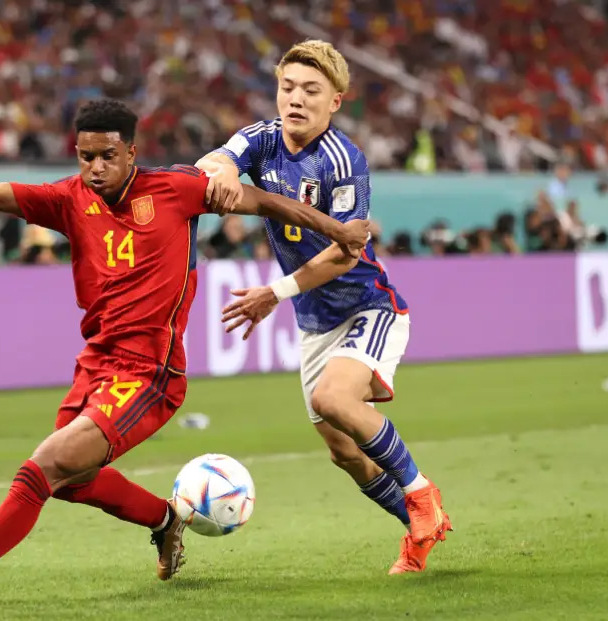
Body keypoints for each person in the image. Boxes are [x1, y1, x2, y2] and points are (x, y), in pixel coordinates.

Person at [0, 99, 370, 611]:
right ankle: (165, 521)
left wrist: (336, 229)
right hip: (96, 362)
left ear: (131, 153)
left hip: (150, 372)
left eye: (107, 156)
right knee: (71, 482)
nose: (96, 168)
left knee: (43, 469)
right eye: (86, 157)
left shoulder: (177, 189)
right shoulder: (68, 199)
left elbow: (265, 203)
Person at [196, 40, 452, 575]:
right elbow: (217, 160)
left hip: (367, 306)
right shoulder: (262, 139)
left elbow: (343, 253)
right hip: (315, 322)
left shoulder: (342, 160)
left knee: (333, 399)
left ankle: (421, 493)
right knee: (343, 451)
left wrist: (274, 292)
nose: (296, 99)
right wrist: (221, 171)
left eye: (311, 90)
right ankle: (419, 527)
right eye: (287, 87)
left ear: (335, 101)